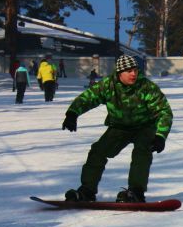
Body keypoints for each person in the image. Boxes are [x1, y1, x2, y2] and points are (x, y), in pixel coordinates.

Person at [61, 54, 173, 203]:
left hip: (145, 127)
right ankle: (87, 191)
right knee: (98, 151)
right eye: (129, 71)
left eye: (135, 70)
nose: (133, 74)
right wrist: (72, 114)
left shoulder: (146, 87)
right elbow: (88, 98)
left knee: (142, 151)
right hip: (119, 127)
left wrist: (160, 135)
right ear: (120, 73)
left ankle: (136, 192)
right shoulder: (108, 85)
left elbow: (164, 111)